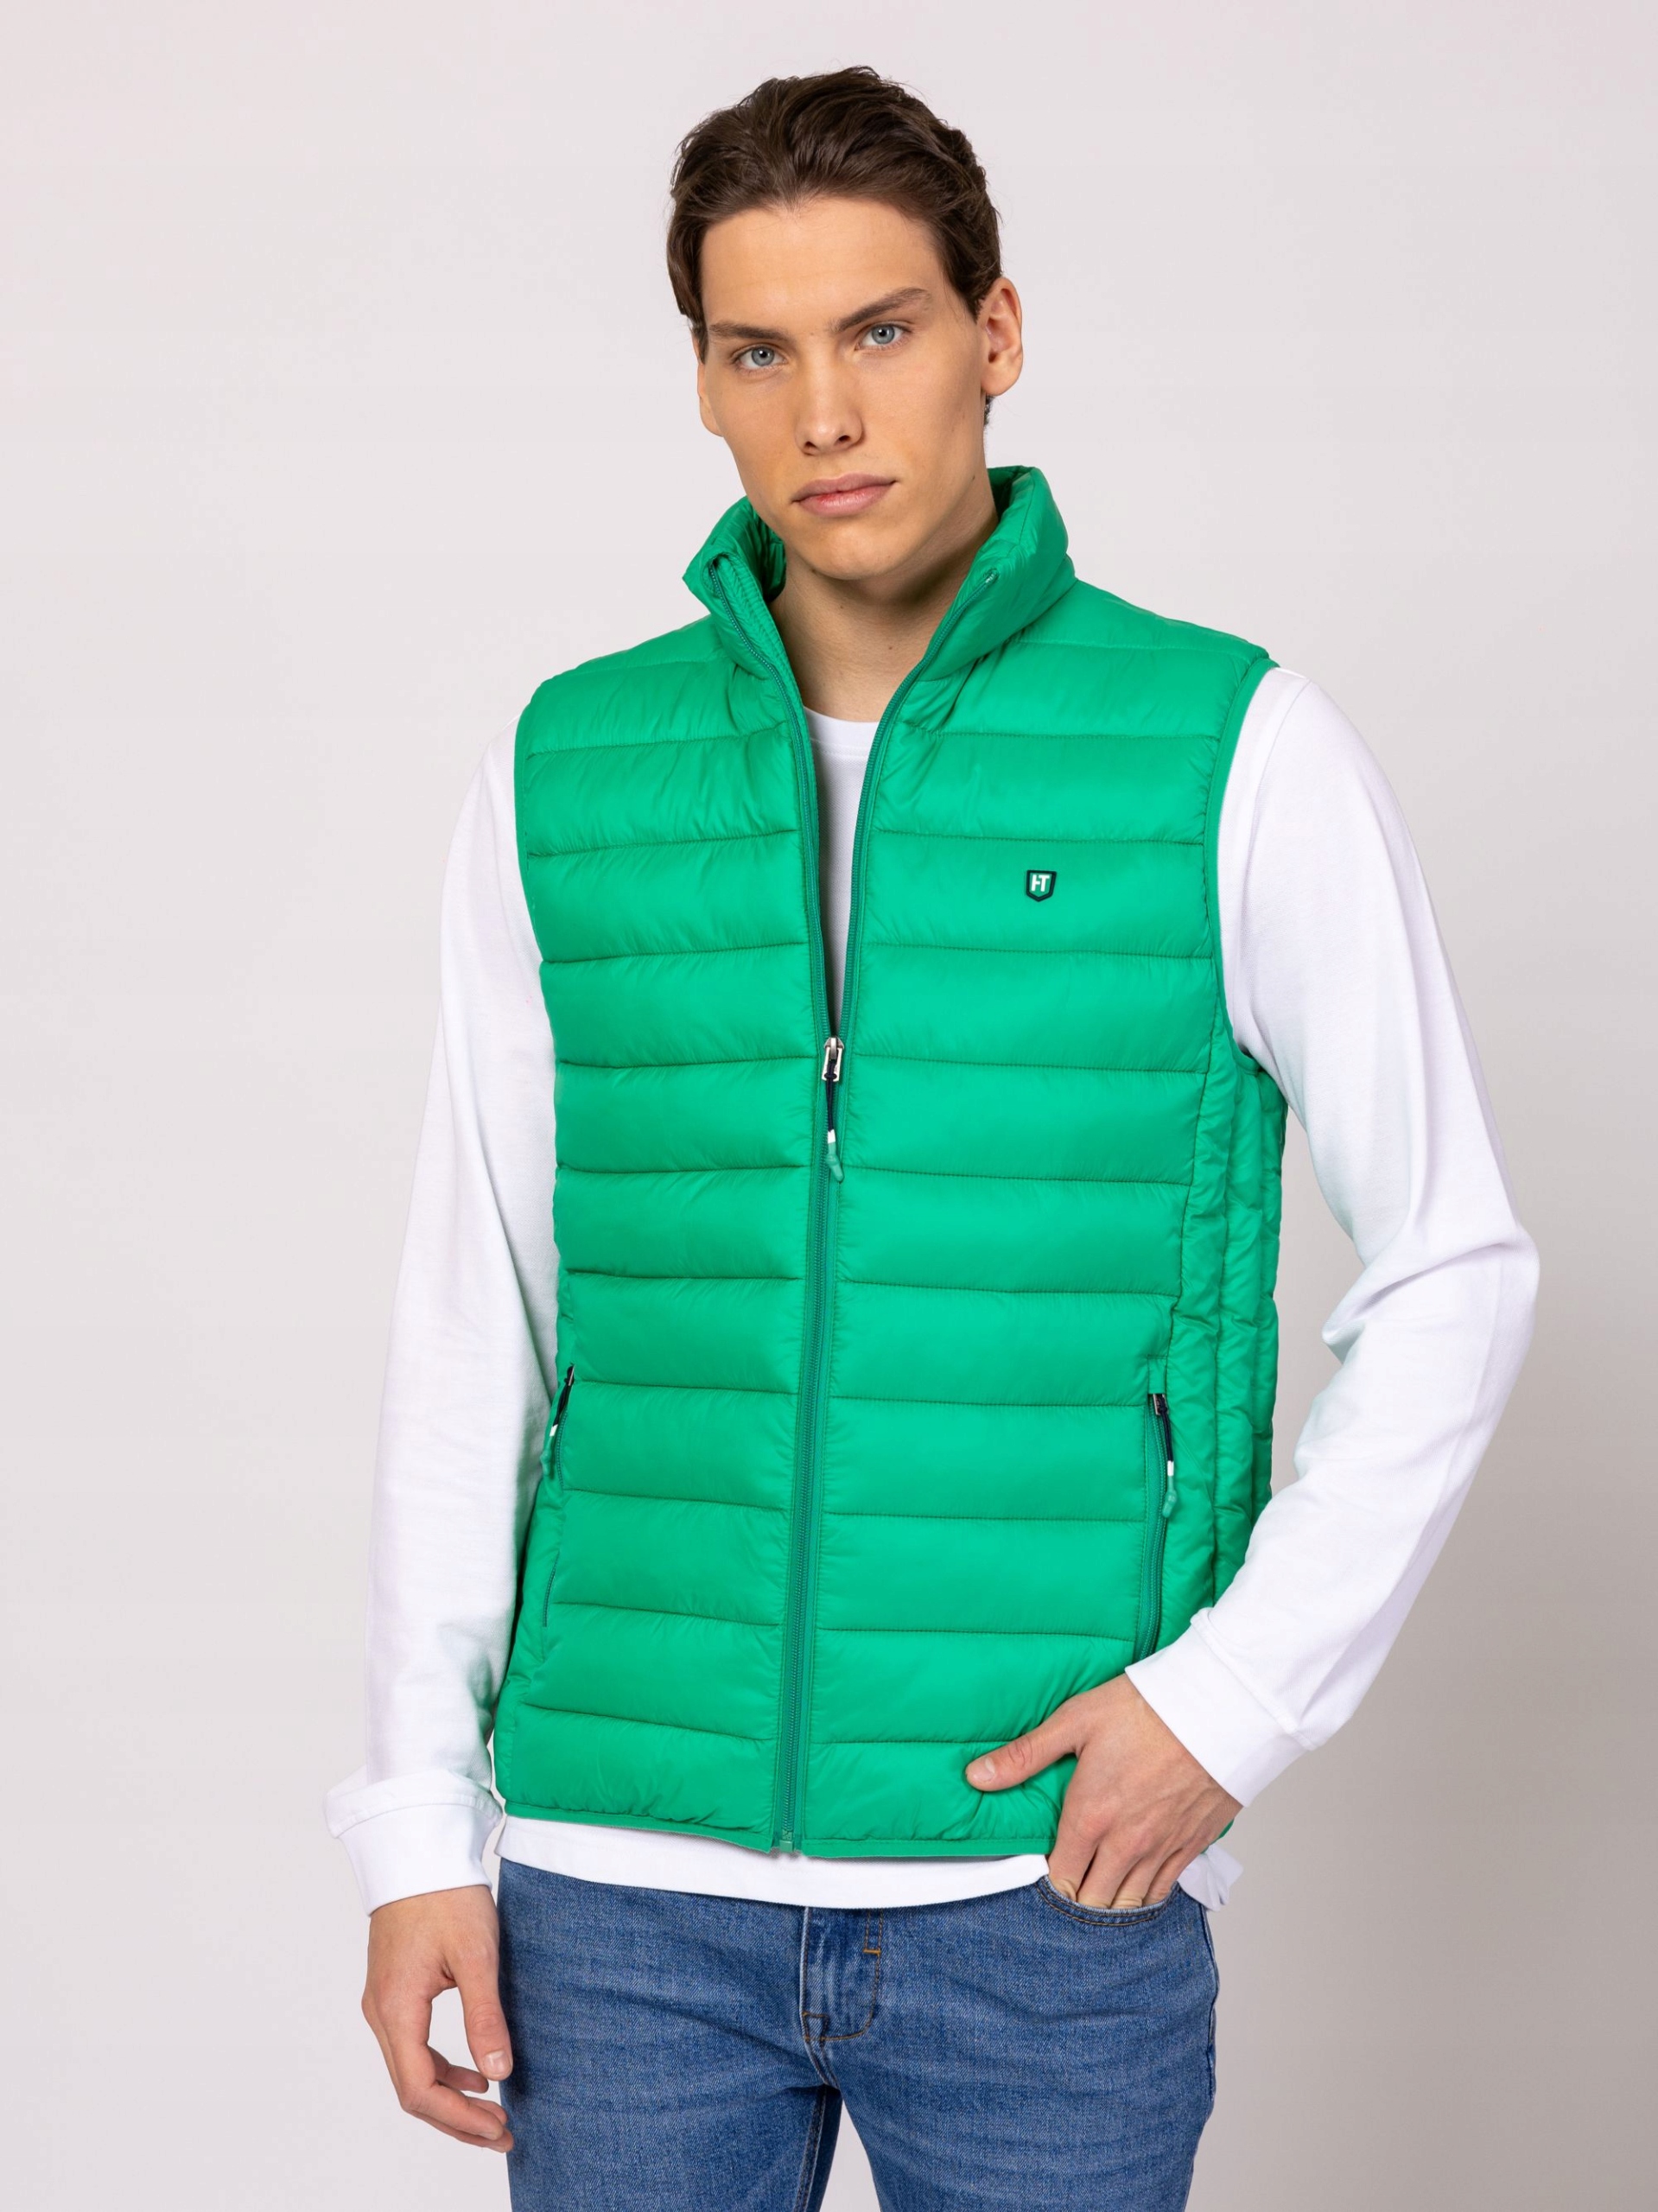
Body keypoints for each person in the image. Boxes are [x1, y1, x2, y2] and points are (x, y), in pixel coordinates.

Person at [325, 65, 1538, 2211]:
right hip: (615, 1891)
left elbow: (1457, 1263)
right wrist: (419, 1820)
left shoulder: (1230, 747)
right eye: (756, 350)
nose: (826, 414)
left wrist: (1232, 1702)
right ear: (701, 377)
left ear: (996, 330)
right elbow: (475, 1315)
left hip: (1041, 1878)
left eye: (881, 330)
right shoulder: (569, 767)